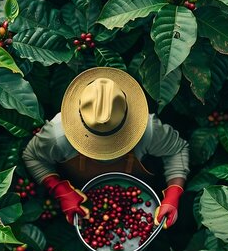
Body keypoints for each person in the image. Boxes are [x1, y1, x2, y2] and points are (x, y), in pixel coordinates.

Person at [22, 67, 189, 229]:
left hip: (137, 202)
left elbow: (177, 150)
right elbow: (32, 156)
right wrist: (60, 190)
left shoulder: (148, 129)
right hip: (84, 210)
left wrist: (174, 192)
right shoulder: (58, 135)